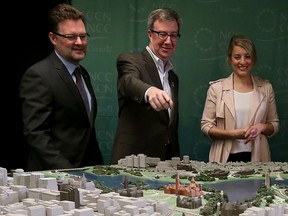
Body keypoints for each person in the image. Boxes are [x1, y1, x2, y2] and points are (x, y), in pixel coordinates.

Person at [19, 3, 103, 171]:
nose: (79, 42)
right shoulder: (39, 75)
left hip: (85, 173)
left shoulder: (83, 73)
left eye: (83, 36)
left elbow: (84, 129)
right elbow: (36, 134)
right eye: (71, 37)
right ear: (53, 38)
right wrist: (66, 172)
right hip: (54, 177)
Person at [110, 8, 182, 164]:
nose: (168, 41)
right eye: (162, 34)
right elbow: (128, 81)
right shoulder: (130, 60)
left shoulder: (173, 77)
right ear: (150, 34)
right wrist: (149, 91)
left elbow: (169, 127)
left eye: (173, 35)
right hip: (133, 161)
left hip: (165, 164)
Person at [201, 34, 279, 163]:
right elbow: (206, 126)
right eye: (237, 57)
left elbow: (274, 124)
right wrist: (234, 134)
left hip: (258, 157)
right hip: (223, 158)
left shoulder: (266, 88)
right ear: (230, 59)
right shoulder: (216, 89)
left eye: (247, 56)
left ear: (253, 59)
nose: (242, 62)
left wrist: (261, 127)